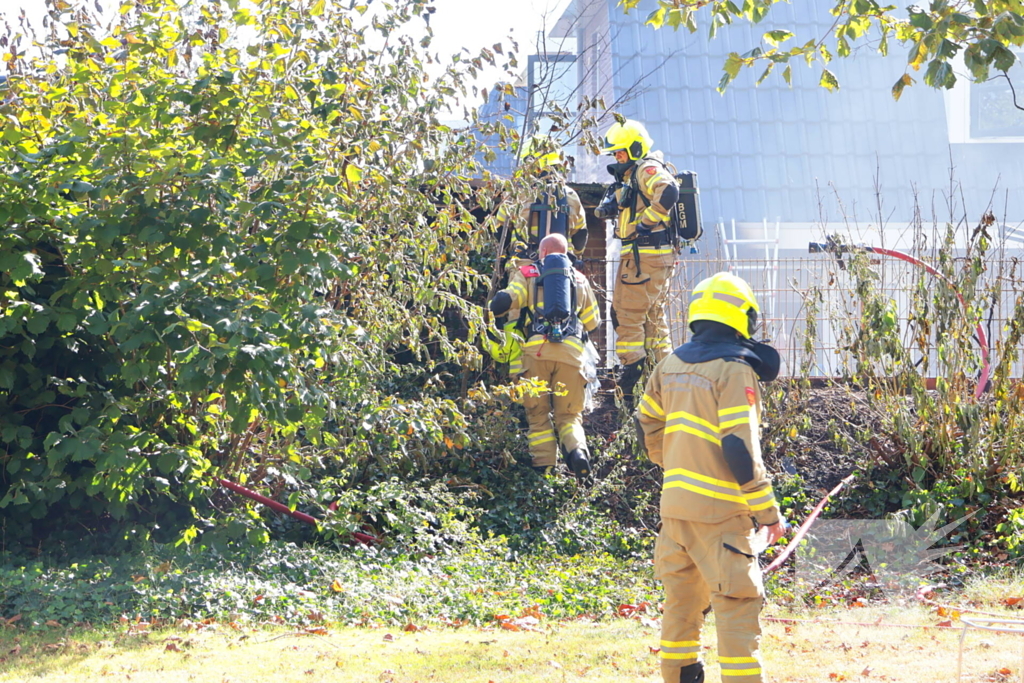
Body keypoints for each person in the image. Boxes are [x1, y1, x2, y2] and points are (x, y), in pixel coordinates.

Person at [635, 272, 786, 683]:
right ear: (742, 317)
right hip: (720, 517)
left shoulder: (670, 364)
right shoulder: (734, 370)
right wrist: (769, 514)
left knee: (681, 606)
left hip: (676, 512)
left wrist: (677, 467)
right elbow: (738, 448)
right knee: (737, 605)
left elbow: (646, 421)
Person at [488, 233, 601, 478]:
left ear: (542, 253)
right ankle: (578, 452)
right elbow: (594, 323)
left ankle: (545, 470)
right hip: (572, 356)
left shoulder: (528, 273)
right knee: (569, 416)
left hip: (536, 352)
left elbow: (506, 300)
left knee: (538, 416)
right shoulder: (580, 279)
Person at [598, 118, 679, 409]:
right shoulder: (633, 176)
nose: (617, 158)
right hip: (649, 258)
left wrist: (647, 222)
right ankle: (669, 385)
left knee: (626, 314)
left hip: (643, 259)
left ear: (634, 148)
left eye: (620, 152)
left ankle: (628, 392)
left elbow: (668, 191)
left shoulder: (646, 168)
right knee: (654, 323)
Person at [498, 135, 589, 262]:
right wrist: (576, 254)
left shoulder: (515, 195)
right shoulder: (570, 195)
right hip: (561, 265)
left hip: (523, 265)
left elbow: (499, 231)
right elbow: (580, 236)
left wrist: (504, 256)